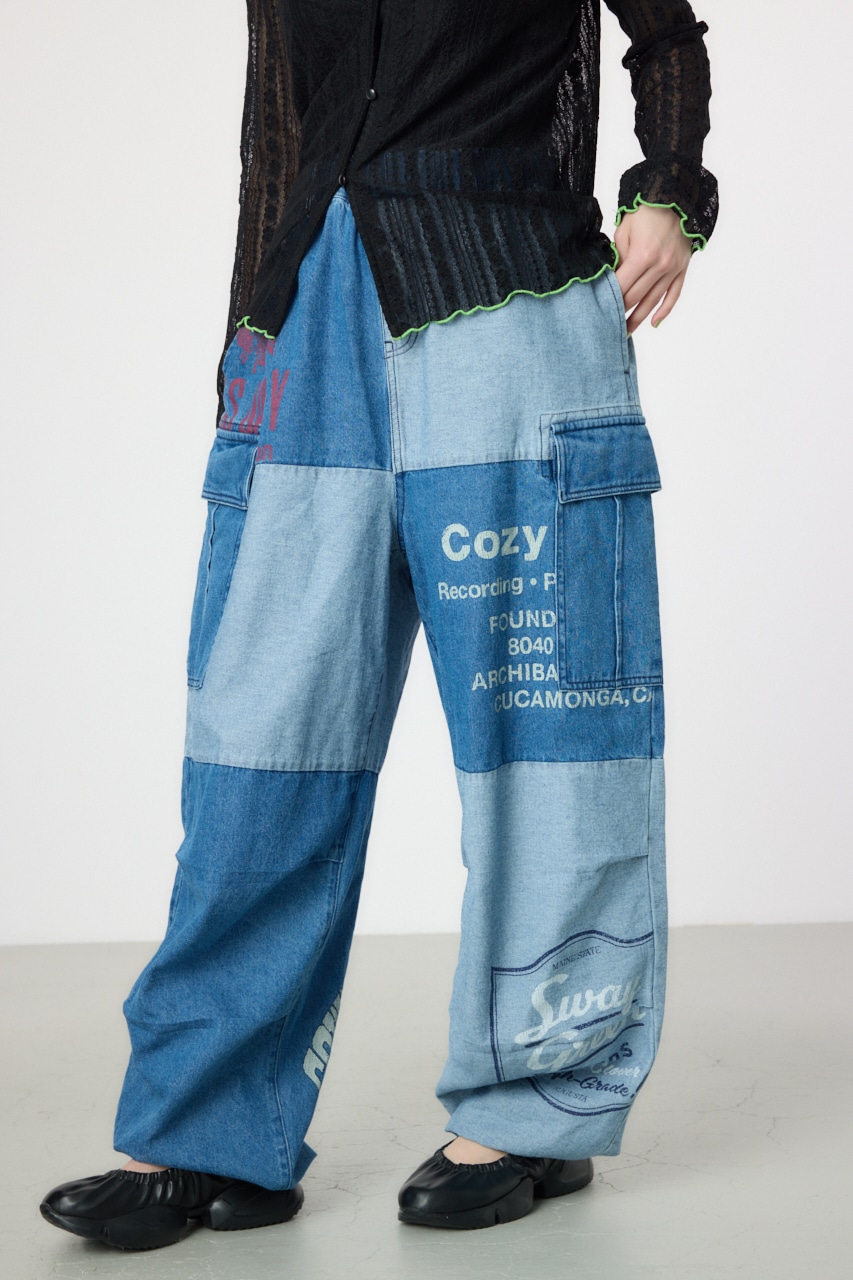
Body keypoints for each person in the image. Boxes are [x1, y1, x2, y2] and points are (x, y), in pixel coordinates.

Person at [40, 0, 717, 1250]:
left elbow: (664, 32)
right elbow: (276, 132)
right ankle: (205, 1130)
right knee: (259, 745)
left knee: (545, 744)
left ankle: (537, 1111)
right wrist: (250, 334)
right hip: (312, 327)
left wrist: (668, 192)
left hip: (507, 300)